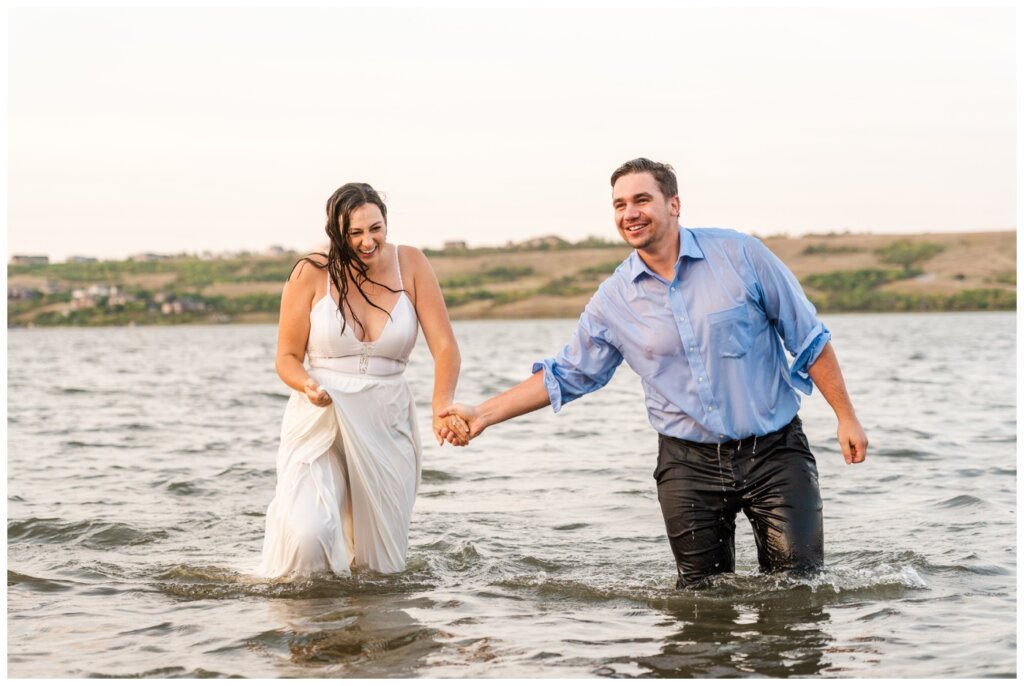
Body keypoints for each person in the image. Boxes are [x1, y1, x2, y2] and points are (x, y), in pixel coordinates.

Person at [440, 158, 868, 589]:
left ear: (674, 204)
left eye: (642, 199)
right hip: (688, 465)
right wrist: (482, 414)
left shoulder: (742, 255)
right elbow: (566, 374)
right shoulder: (614, 299)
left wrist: (845, 416)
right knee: (700, 606)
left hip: (775, 453)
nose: (630, 213)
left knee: (799, 591)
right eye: (620, 204)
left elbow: (808, 336)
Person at [259, 182, 465, 578]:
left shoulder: (413, 264)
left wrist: (442, 406)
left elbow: (445, 348)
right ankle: (309, 630)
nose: (368, 241)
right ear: (336, 232)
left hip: (387, 422)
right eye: (355, 233)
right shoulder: (310, 272)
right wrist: (306, 385)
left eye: (376, 228)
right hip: (322, 419)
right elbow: (286, 357)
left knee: (380, 569)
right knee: (308, 535)